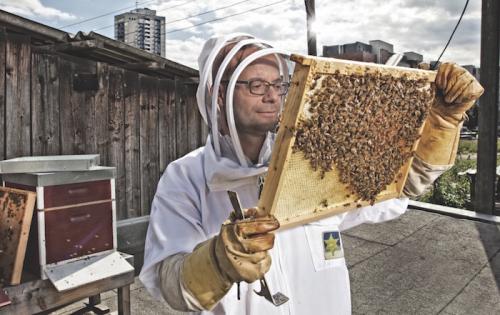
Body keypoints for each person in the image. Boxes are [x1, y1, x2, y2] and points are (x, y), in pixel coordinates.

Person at [139, 33, 484, 315]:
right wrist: (216, 261)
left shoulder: (309, 160)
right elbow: (172, 286)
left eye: (278, 84)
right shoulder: (184, 177)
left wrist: (440, 124)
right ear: (217, 93)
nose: (272, 96)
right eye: (256, 85)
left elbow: (390, 190)